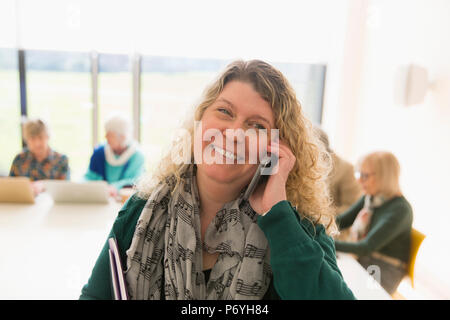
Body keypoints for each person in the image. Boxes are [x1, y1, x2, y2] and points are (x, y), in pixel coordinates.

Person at [80, 60, 355, 300]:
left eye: (256, 126)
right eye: (224, 111)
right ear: (199, 120)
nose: (235, 133)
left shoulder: (297, 230)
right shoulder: (141, 209)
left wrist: (277, 215)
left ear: (275, 149)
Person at [334, 151, 413, 294]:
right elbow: (341, 221)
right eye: (360, 174)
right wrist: (314, 226)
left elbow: (366, 246)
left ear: (385, 178)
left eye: (365, 176)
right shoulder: (370, 198)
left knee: (341, 288)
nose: (359, 181)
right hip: (365, 258)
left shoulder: (400, 210)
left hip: (384, 269)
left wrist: (327, 241)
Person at [84, 115, 145, 198]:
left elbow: (135, 181)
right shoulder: (99, 152)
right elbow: (89, 176)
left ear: (122, 137)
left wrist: (114, 187)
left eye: (110, 135)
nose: (105, 137)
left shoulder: (137, 156)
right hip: (99, 198)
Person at [9, 118, 70, 195]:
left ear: (47, 137)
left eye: (40, 137)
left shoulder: (61, 160)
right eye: (32, 139)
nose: (37, 143)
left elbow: (66, 189)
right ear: (26, 140)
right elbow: (10, 187)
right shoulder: (19, 159)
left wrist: (44, 185)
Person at [314, 126, 362, 215]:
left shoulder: (346, 169)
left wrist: (320, 215)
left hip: (334, 224)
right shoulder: (303, 165)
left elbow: (351, 207)